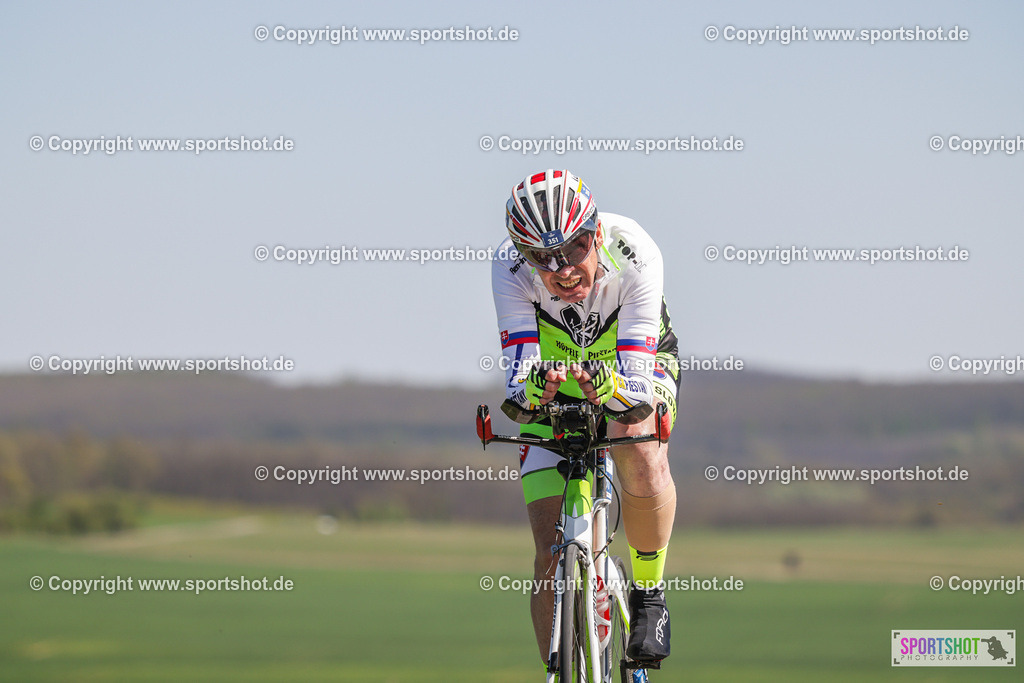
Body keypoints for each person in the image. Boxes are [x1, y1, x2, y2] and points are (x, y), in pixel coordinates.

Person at [491, 169, 680, 666]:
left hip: (631, 364)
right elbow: (519, 379)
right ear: (521, 253)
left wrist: (612, 387)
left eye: (574, 249)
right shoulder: (508, 269)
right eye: (542, 258)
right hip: (558, 377)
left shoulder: (637, 251)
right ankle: (558, 667)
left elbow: (636, 384)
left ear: (595, 233)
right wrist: (535, 387)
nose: (563, 270)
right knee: (548, 554)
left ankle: (650, 595)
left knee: (635, 435)